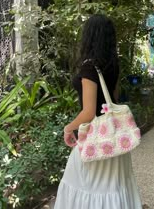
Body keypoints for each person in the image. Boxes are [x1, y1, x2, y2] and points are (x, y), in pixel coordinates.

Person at [54, 14, 142, 209]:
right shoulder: (112, 64)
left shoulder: (89, 68)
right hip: (114, 138)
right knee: (113, 187)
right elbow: (113, 98)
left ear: (89, 36)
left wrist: (68, 129)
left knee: (82, 182)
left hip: (96, 139)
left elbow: (88, 112)